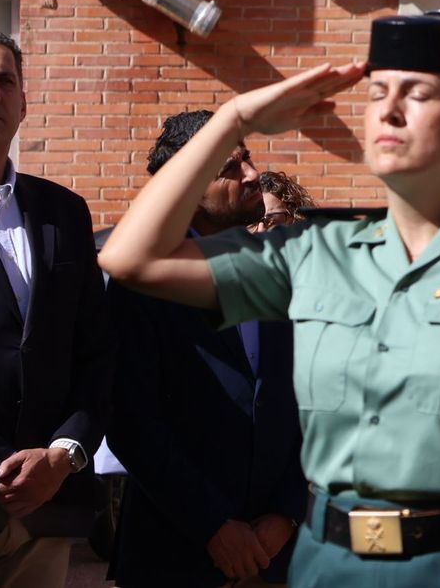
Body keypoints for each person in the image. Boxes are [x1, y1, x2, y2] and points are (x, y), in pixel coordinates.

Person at [97, 14, 440, 588]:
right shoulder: (322, 252)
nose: (389, 111)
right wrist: (234, 118)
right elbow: (131, 259)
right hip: (330, 564)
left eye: (416, 94)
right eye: (376, 94)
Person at [106, 111, 306, 587]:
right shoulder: (144, 281)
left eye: (248, 159)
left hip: (277, 555)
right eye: (231, 167)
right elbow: (131, 422)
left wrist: (286, 513)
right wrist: (213, 525)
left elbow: (309, 406)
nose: (253, 175)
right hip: (178, 552)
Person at [0, 29, 114, 587]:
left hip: (46, 511)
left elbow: (95, 352)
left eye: (5, 80)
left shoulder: (63, 212)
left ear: (23, 104)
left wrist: (63, 455)